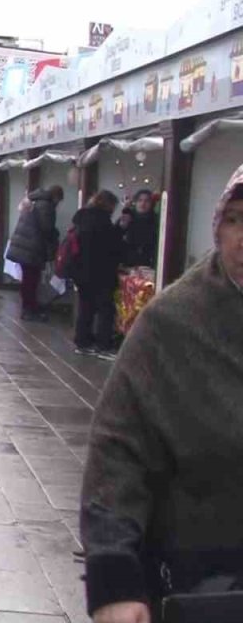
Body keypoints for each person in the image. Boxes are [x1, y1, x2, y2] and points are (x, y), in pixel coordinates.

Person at [79, 167, 243, 623]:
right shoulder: (173, 324)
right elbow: (119, 449)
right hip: (204, 584)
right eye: (234, 219)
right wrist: (114, 579)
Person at [71, 191, 125, 360]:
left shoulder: (83, 217)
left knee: (86, 308)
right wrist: (120, 228)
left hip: (82, 271)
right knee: (105, 309)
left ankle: (82, 342)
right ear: (107, 204)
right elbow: (110, 245)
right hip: (100, 272)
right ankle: (103, 345)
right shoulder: (101, 220)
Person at [6, 185, 64, 321]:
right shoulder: (46, 205)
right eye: (59, 200)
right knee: (31, 279)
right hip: (32, 248)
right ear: (56, 197)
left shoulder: (35, 201)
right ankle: (29, 309)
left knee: (28, 279)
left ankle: (29, 307)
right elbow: (46, 228)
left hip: (25, 246)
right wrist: (55, 235)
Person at [124, 189, 160, 267]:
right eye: (140, 200)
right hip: (128, 260)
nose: (143, 204)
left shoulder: (156, 219)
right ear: (135, 203)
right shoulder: (128, 216)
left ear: (151, 204)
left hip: (149, 261)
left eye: (147, 201)